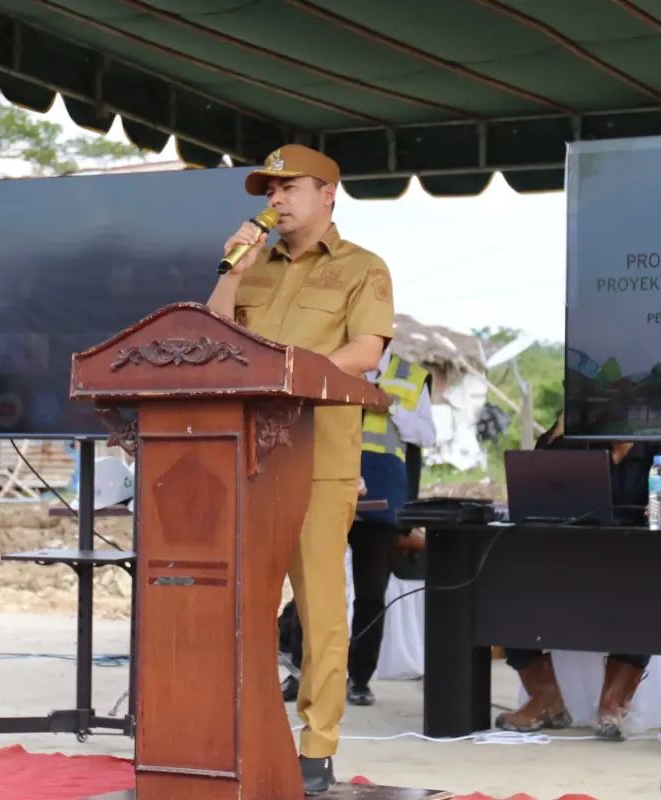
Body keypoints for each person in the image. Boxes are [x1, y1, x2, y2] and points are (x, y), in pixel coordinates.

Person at [207, 144, 394, 795]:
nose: (276, 201)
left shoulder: (362, 269)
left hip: (320, 462)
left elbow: (367, 350)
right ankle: (247, 730)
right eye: (270, 191)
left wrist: (292, 376)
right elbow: (213, 342)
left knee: (319, 611)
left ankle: (316, 748)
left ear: (327, 194)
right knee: (244, 607)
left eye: (289, 188)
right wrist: (232, 272)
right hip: (250, 461)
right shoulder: (252, 268)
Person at [495, 413, 661, 741]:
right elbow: (536, 482)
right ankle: (546, 701)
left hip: (633, 565)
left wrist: (660, 513)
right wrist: (558, 432)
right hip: (572, 562)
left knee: (646, 598)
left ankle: (612, 705)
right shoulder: (578, 448)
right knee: (511, 593)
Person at [280, 347, 434, 705]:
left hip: (380, 500)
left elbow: (426, 435)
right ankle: (305, 674)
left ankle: (359, 679)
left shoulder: (410, 377)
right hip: (327, 486)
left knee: (370, 595)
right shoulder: (330, 364)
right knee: (315, 587)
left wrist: (391, 406)